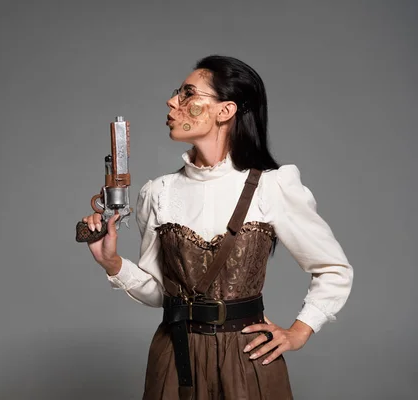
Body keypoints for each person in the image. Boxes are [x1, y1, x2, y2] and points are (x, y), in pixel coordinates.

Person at [81, 55, 353, 400]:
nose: (172, 102)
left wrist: (299, 331)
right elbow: (159, 293)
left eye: (187, 94)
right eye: (177, 93)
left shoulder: (274, 187)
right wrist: (112, 264)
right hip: (174, 356)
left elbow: (333, 269)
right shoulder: (159, 193)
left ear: (225, 111)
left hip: (247, 358)